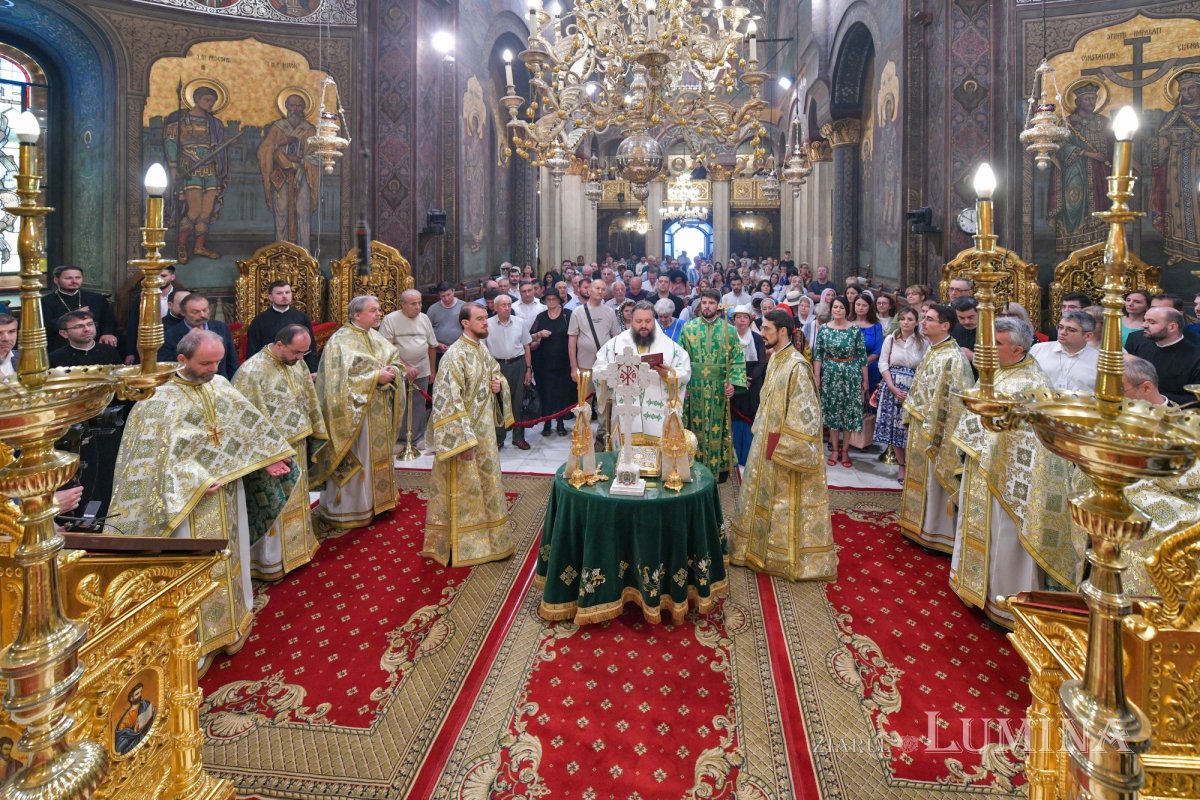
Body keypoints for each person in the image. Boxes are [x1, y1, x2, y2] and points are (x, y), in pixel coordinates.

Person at [109, 329, 294, 663]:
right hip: (190, 504)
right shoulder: (158, 400)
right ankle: (197, 639)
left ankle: (233, 620)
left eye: (218, 362)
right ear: (182, 360)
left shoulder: (220, 385)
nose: (213, 369)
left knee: (229, 556)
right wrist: (195, 482)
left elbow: (245, 430)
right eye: (206, 363)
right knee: (198, 567)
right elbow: (152, 461)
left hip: (228, 493)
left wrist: (266, 460)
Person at [949, 318, 1076, 627]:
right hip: (984, 468)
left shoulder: (1028, 384)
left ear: (1018, 349)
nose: (988, 350)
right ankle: (976, 589)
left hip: (1010, 482)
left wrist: (991, 454)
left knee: (1005, 537)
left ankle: (1003, 602)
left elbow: (1026, 441)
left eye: (997, 344)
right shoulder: (999, 374)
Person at [731, 309, 836, 580]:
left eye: (766, 329)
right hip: (765, 440)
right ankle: (756, 550)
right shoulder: (777, 357)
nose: (761, 333)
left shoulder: (797, 366)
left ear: (782, 332)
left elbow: (807, 417)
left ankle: (780, 558)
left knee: (781, 502)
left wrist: (781, 447)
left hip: (780, 447)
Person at [233, 324, 329, 580]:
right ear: (279, 345)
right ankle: (271, 562)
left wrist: (314, 430)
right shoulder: (251, 373)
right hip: (270, 454)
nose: (301, 359)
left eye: (304, 354)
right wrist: (269, 454)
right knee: (276, 502)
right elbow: (245, 421)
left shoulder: (295, 364)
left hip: (296, 444)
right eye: (297, 352)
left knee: (297, 501)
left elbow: (307, 398)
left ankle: (298, 550)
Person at [422, 304, 514, 567]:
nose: (487, 323)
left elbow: (495, 374)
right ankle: (464, 544)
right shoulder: (454, 356)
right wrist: (463, 442)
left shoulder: (481, 349)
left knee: (486, 483)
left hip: (484, 433)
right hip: (467, 437)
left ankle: (489, 537)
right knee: (466, 488)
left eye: (486, 318)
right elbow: (448, 401)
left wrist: (499, 385)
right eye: (481, 319)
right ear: (465, 323)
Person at [312, 296, 406, 530]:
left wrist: (393, 371)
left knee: (376, 459)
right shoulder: (339, 342)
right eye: (373, 310)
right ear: (356, 315)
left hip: (379, 410)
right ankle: (351, 509)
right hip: (354, 419)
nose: (379, 314)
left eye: (379, 309)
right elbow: (336, 382)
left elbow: (394, 360)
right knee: (358, 459)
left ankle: (377, 503)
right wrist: (376, 377)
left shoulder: (375, 336)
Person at [899, 304, 974, 553]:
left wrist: (938, 429)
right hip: (922, 425)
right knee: (920, 478)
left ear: (945, 325)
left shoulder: (954, 357)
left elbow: (956, 402)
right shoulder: (935, 351)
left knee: (934, 480)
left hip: (938, 432)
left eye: (929, 319)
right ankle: (916, 526)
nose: (924, 322)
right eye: (924, 318)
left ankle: (936, 533)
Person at [593, 300, 692, 442]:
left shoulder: (670, 347)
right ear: (631, 321)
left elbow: (684, 373)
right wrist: (613, 372)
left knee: (655, 457)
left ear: (654, 320)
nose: (643, 326)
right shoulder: (616, 344)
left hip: (657, 416)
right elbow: (598, 370)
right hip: (626, 411)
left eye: (648, 321)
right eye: (639, 321)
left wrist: (669, 374)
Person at [679, 290, 747, 482]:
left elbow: (737, 359)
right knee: (694, 426)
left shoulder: (729, 330)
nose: (707, 306)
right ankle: (694, 465)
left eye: (711, 302)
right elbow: (681, 360)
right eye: (704, 302)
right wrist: (683, 386)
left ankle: (719, 469)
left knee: (719, 427)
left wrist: (733, 383)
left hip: (719, 388)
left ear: (718, 305)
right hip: (694, 388)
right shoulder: (689, 328)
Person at [163, 85, 227, 263]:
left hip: (210, 169)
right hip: (190, 169)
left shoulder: (214, 124)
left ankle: (199, 247)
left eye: (213, 101)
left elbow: (219, 147)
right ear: (196, 99)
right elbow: (170, 142)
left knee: (206, 212)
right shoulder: (180, 120)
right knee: (194, 210)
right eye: (207, 100)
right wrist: (173, 167)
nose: (210, 104)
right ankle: (181, 246)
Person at [1050, 82, 1112, 253]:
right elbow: (1059, 148)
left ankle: (1099, 248)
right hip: (1074, 170)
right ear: (1077, 102)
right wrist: (1089, 154)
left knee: (1100, 206)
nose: (1091, 102)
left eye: (1094, 98)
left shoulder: (1103, 122)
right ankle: (1072, 248)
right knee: (1074, 205)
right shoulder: (1068, 123)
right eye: (1087, 99)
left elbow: (1114, 144)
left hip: (1100, 172)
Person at [1151, 70, 1200, 265]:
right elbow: (1161, 138)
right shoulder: (1174, 115)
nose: (1187, 93)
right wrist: (1158, 143)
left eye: (1192, 88)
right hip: (1176, 168)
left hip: (1197, 166)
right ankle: (1178, 249)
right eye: (1183, 89)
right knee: (1177, 204)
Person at [873, 308, 928, 483]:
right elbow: (883, 363)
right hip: (892, 386)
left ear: (916, 322)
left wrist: (913, 390)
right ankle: (901, 466)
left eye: (910, 319)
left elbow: (925, 367)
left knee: (908, 429)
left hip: (913, 388)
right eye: (903, 319)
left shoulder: (923, 342)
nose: (906, 322)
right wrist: (892, 387)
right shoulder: (891, 339)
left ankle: (913, 465)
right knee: (894, 430)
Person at [257, 92, 319, 248]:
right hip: (281, 176)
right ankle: (281, 249)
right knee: (282, 212)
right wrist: (280, 143)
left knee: (302, 212)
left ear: (304, 108)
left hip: (303, 175)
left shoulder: (309, 130)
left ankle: (304, 252)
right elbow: (264, 150)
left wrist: (299, 160)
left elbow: (316, 155)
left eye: (299, 106)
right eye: (292, 105)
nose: (296, 109)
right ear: (286, 107)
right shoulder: (278, 127)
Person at [813, 296, 867, 469]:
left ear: (846, 310)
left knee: (848, 413)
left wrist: (865, 380)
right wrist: (817, 376)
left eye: (841, 308)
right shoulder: (824, 330)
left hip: (851, 373)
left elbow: (862, 356)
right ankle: (834, 450)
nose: (838, 310)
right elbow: (818, 354)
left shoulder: (855, 330)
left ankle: (845, 451)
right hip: (830, 374)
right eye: (835, 307)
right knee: (834, 413)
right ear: (831, 309)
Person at [379, 289, 438, 446]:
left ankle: (416, 435)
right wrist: (405, 366)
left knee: (419, 403)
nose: (418, 306)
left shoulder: (424, 318)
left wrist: (432, 370)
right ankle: (398, 437)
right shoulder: (390, 320)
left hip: (422, 369)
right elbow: (385, 349)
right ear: (403, 304)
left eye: (419, 303)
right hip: (398, 370)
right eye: (413, 304)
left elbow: (432, 346)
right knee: (400, 403)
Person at [1126, 307, 1200, 405]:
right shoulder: (1138, 341)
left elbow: (1195, 399)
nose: (1144, 325)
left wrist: (1159, 399)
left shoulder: (1195, 357)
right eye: (1144, 320)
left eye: (1151, 322)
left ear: (1172, 327)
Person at [486, 294, 532, 450]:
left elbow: (526, 346)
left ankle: (518, 437)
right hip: (497, 366)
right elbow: (483, 350)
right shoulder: (487, 324)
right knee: (499, 402)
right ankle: (499, 438)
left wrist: (528, 369)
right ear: (495, 307)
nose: (507, 307)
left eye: (509, 304)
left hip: (518, 365)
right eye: (503, 305)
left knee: (518, 402)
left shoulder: (520, 322)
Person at [244, 280, 320, 372]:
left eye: (287, 292)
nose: (284, 296)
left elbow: (310, 347)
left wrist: (313, 370)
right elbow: (253, 350)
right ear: (270, 297)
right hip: (269, 368)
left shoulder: (301, 317)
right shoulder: (259, 320)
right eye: (279, 293)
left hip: (297, 368)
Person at [160, 294, 239, 380]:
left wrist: (233, 383)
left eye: (205, 310)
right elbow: (168, 367)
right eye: (195, 312)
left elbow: (232, 361)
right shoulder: (170, 335)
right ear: (183, 313)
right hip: (189, 384)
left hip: (220, 383)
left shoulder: (221, 328)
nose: (202, 315)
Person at [41, 265, 116, 353]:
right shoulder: (45, 301)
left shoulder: (96, 298)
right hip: (60, 346)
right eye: (68, 278)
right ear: (56, 280)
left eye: (78, 277)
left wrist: (107, 333)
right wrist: (71, 315)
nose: (74, 281)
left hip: (94, 344)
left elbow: (108, 320)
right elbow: (45, 326)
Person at [530, 291, 573, 437]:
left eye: (554, 299)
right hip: (544, 362)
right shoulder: (541, 317)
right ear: (545, 301)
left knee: (562, 393)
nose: (551, 302)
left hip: (564, 361)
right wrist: (539, 334)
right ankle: (547, 424)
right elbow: (530, 337)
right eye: (548, 299)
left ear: (559, 300)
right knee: (546, 393)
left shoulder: (568, 315)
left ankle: (560, 423)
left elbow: (574, 335)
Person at [729, 306, 766, 467]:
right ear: (734, 319)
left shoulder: (757, 338)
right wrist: (738, 378)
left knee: (751, 415)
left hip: (753, 383)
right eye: (739, 317)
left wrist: (750, 378)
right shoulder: (729, 337)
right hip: (735, 384)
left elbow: (762, 362)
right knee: (735, 417)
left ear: (750, 319)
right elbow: (727, 359)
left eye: (745, 317)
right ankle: (736, 454)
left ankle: (749, 455)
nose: (742, 320)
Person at [1031, 310, 1099, 393]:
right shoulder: (1039, 349)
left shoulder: (1098, 359)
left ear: (1088, 336)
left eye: (1071, 330)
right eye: (1060, 327)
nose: (1062, 332)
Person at [49, 310, 122, 368]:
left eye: (90, 324)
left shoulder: (109, 351)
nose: (87, 329)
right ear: (64, 333)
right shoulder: (55, 358)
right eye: (78, 326)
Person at [851, 295, 884, 396]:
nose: (860, 308)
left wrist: (862, 364)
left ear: (870, 307)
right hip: (849, 365)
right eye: (858, 304)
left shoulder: (876, 326)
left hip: (871, 365)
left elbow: (877, 351)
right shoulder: (847, 324)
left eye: (864, 305)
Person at [427, 282, 465, 365]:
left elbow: (469, 329)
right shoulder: (433, 309)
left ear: (453, 291)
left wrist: (457, 345)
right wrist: (437, 344)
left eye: (449, 295)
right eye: (443, 296)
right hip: (439, 352)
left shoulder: (463, 307)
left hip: (460, 351)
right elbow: (427, 331)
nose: (446, 299)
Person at [113, 682, 156, 756]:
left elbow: (154, 714)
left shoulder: (145, 704)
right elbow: (120, 744)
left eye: (140, 692)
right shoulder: (127, 717)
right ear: (131, 698)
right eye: (137, 694)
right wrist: (133, 731)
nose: (140, 695)